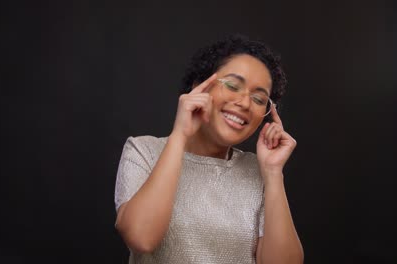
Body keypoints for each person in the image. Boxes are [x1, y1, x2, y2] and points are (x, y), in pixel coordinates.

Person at [114, 34, 304, 264]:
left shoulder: (259, 171)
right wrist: (180, 135)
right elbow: (141, 238)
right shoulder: (144, 150)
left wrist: (273, 174)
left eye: (258, 98)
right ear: (198, 87)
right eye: (233, 85)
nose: (244, 103)